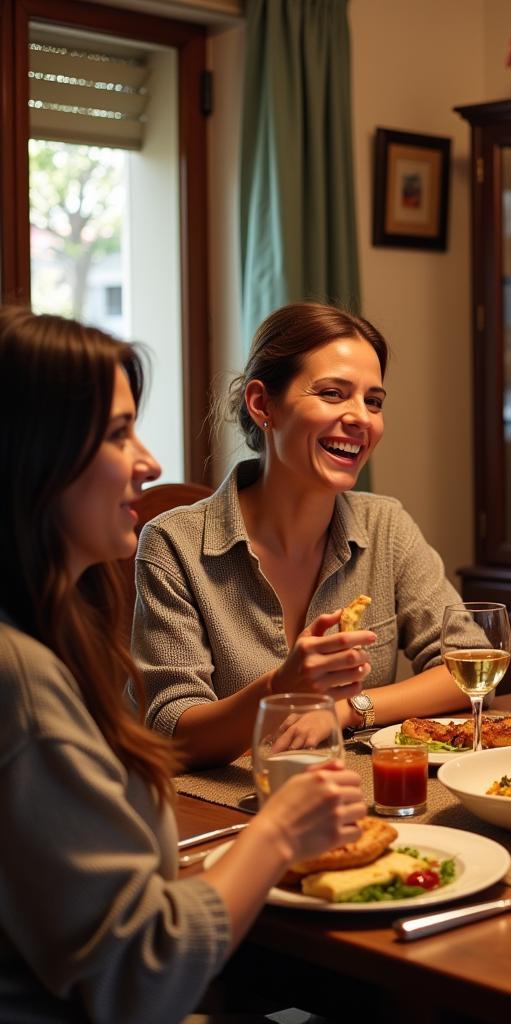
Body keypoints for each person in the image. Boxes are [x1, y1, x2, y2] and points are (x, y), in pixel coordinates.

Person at [0, 307, 366, 1022]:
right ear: (29, 456)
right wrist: (280, 829)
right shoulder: (21, 683)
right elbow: (143, 978)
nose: (152, 462)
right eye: (116, 433)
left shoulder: (52, 636)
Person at [132, 302, 467, 768]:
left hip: (355, 797)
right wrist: (283, 688)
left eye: (373, 401)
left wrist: (347, 709)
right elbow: (171, 734)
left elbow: (468, 665)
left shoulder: (386, 526)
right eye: (333, 393)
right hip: (218, 812)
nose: (361, 419)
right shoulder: (174, 545)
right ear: (262, 404)